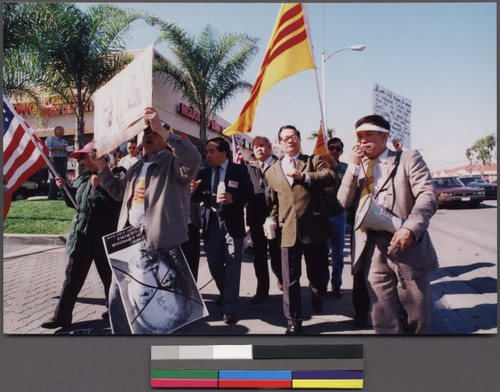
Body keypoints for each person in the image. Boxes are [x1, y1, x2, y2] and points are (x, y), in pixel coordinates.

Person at [91, 107, 201, 333]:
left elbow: (193, 159)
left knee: (162, 301)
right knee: (119, 294)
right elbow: (119, 192)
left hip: (161, 241)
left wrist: (164, 129)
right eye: (146, 133)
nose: (149, 136)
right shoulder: (137, 167)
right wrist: (102, 166)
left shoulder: (174, 164)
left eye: (154, 133)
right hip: (130, 240)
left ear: (164, 139)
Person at [337, 114, 438, 334]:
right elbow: (343, 201)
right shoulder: (358, 167)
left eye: (368, 135)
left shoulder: (408, 158)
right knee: (382, 318)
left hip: (406, 244)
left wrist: (410, 228)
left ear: (384, 136)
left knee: (419, 316)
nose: (362, 141)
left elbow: (427, 196)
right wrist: (353, 168)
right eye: (359, 136)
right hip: (372, 248)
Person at [41, 141, 121, 330]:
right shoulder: (83, 178)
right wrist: (63, 188)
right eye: (84, 157)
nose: (85, 161)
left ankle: (115, 313)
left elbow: (116, 206)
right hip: (83, 237)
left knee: (110, 279)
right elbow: (77, 204)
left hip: (103, 238)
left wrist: (101, 188)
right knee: (71, 279)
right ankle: (61, 317)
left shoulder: (113, 178)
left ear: (102, 158)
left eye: (89, 156)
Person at [264, 125, 335, 335]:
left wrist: (303, 177)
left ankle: (318, 292)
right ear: (279, 143)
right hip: (287, 231)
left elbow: (330, 176)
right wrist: (271, 220)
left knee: (318, 274)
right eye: (284, 138)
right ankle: (294, 320)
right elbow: (274, 203)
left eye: (292, 136)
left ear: (299, 139)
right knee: (290, 280)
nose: (289, 141)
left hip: (314, 228)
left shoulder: (313, 160)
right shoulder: (272, 171)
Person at [191, 137, 253, 325]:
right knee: (214, 265)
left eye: (211, 151)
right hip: (211, 224)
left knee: (233, 267)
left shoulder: (239, 170)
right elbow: (197, 197)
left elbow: (249, 193)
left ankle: (229, 308)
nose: (207, 155)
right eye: (206, 152)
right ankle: (226, 292)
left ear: (223, 153)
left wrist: (233, 198)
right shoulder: (205, 172)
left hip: (232, 225)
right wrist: (193, 190)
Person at [246, 136, 282, 304]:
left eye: (262, 146)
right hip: (256, 219)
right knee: (259, 257)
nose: (259, 149)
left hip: (276, 218)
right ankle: (262, 291)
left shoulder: (280, 165)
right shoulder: (248, 168)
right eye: (256, 147)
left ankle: (282, 279)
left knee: (277, 255)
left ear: (269, 148)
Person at [323, 137, 348, 298]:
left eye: (337, 149)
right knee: (322, 254)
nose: (334, 151)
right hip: (323, 217)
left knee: (338, 254)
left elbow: (346, 185)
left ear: (341, 151)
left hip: (339, 215)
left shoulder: (345, 168)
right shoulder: (321, 167)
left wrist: (336, 166)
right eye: (331, 148)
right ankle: (322, 284)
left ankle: (336, 283)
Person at [45, 126, 68, 200]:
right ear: (56, 131)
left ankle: (62, 194)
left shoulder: (64, 141)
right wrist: (59, 148)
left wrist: (69, 149)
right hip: (55, 159)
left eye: (63, 131)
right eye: (60, 130)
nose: (62, 132)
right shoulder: (51, 139)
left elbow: (66, 149)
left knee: (63, 177)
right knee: (56, 177)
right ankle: (52, 196)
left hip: (63, 159)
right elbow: (48, 148)